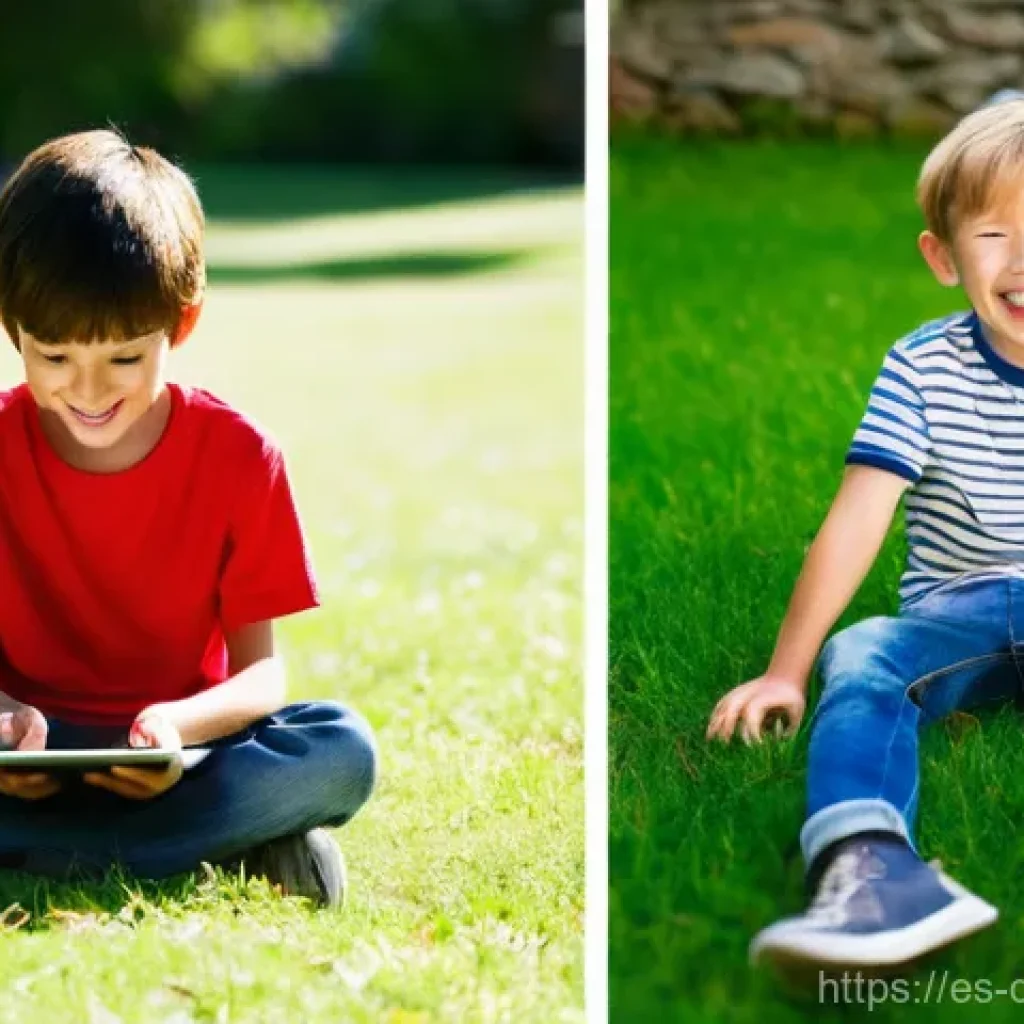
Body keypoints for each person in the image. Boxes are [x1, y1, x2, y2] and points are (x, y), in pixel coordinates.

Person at [0, 129, 377, 909]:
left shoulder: (241, 457)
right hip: (22, 756)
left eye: (125, 359)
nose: (88, 389)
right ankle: (201, 848)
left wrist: (177, 728)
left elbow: (262, 676)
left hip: (184, 754)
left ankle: (61, 854)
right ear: (13, 331)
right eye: (54, 356)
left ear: (182, 323)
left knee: (341, 749)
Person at [705, 95, 1024, 970]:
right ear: (943, 257)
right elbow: (857, 518)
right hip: (952, 612)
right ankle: (872, 875)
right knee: (866, 656)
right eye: (997, 234)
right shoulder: (921, 365)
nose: (1023, 260)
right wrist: (785, 670)